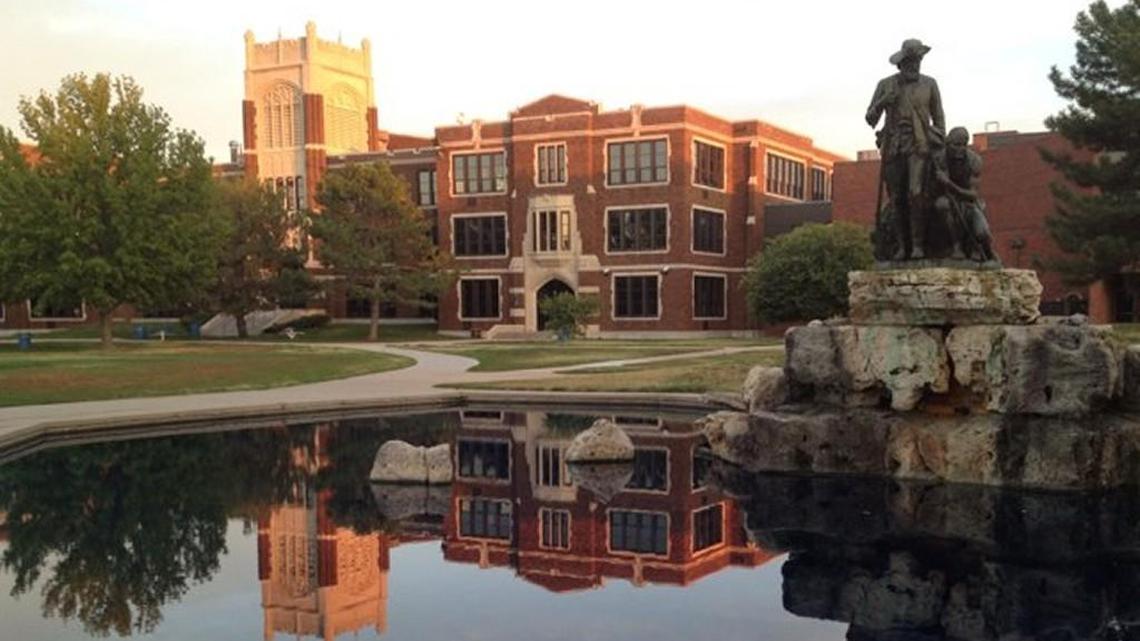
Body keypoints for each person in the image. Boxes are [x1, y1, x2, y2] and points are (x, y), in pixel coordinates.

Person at [866, 38, 946, 260]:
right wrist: (883, 102)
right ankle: (903, 246)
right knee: (897, 198)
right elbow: (870, 118)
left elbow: (939, 117)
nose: (915, 65)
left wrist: (940, 146)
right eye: (911, 61)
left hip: (919, 144)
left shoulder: (930, 84)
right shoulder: (886, 85)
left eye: (918, 61)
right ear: (901, 63)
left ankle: (919, 245)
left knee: (916, 193)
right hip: (893, 144)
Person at [935, 127, 998, 263]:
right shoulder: (940, 159)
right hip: (948, 199)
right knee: (942, 205)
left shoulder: (974, 161)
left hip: (969, 201)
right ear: (948, 144)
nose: (960, 149)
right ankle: (956, 246)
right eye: (956, 145)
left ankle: (983, 250)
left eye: (964, 145)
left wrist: (949, 185)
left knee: (982, 233)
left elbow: (973, 195)